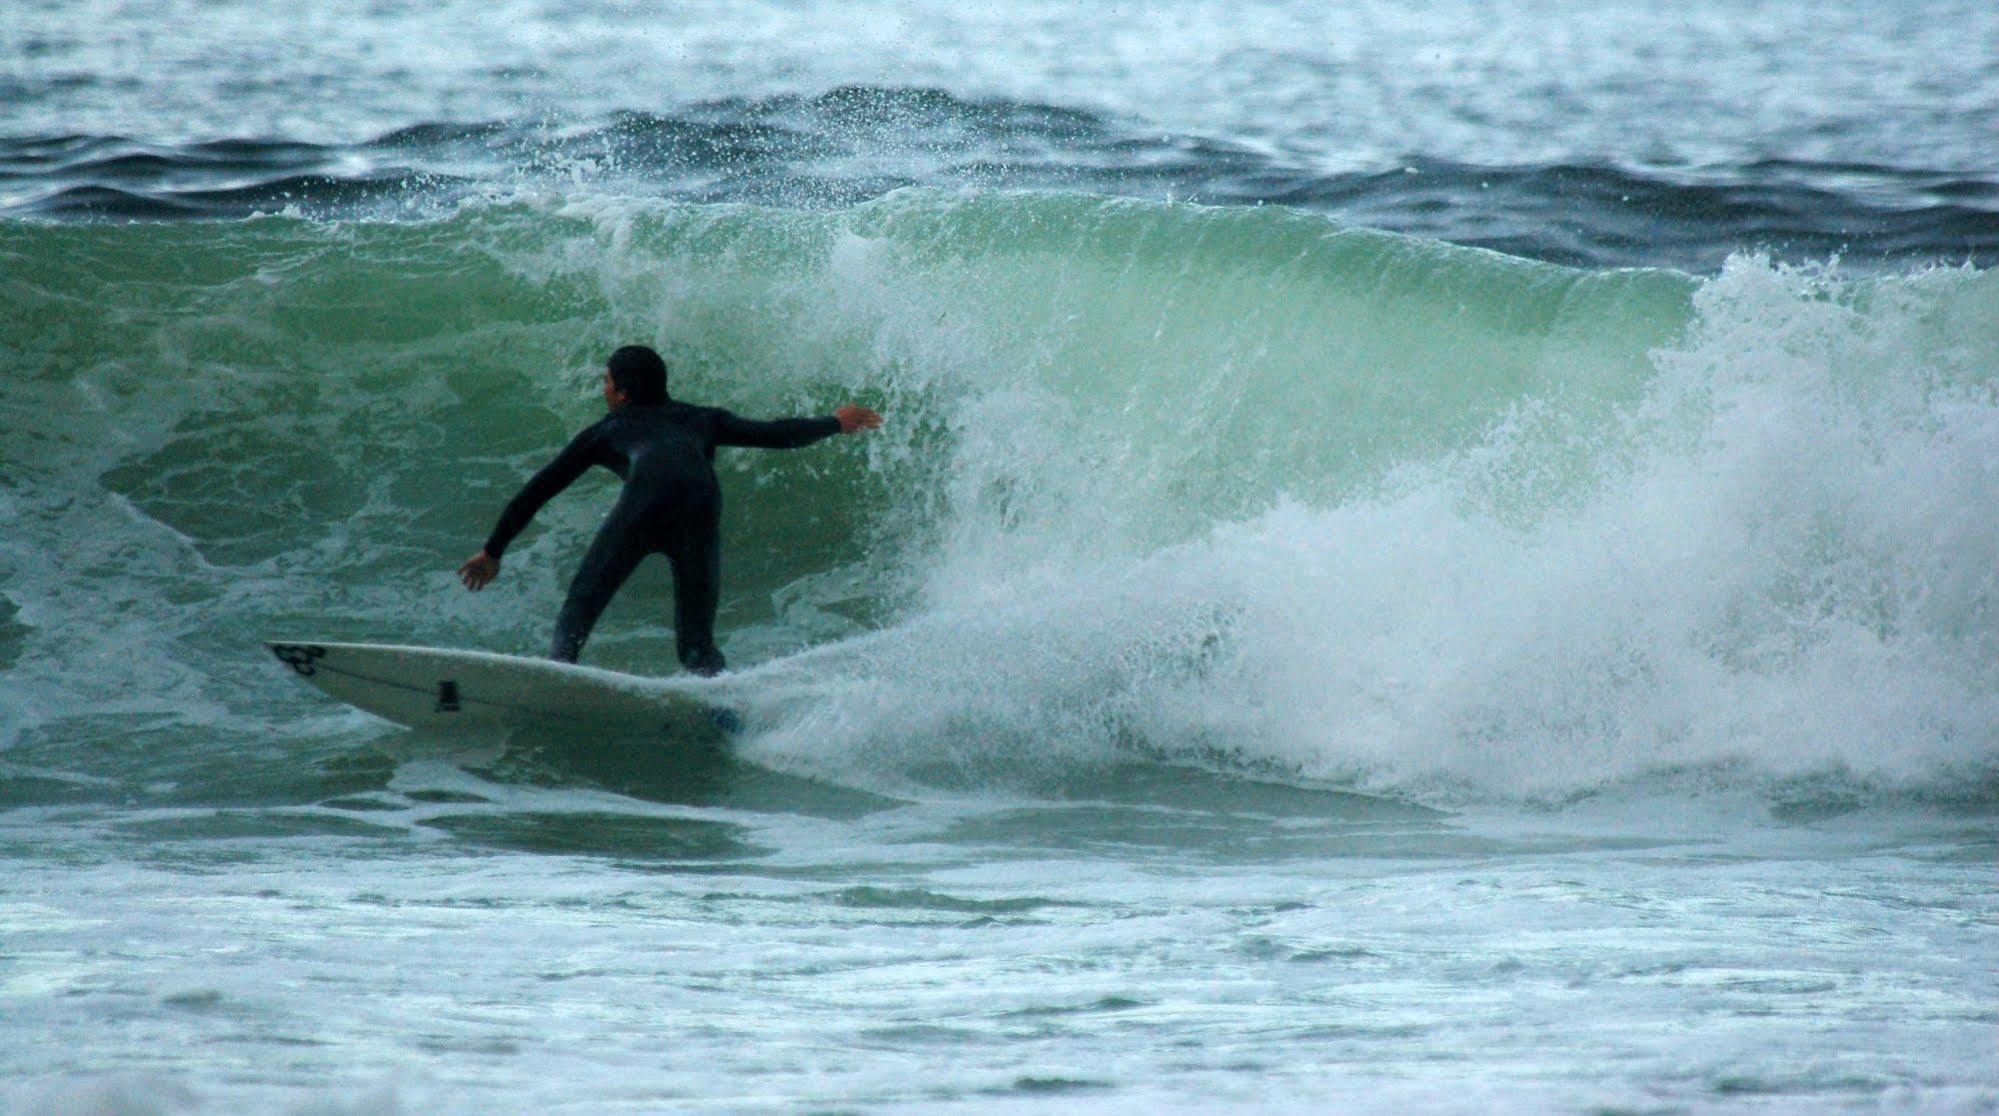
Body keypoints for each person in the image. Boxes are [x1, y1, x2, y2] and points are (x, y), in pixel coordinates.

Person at [458, 345, 882, 674]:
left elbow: (538, 490)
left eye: (607, 381)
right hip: (700, 506)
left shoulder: (607, 431)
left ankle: (559, 675)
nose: (603, 388)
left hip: (648, 501)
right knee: (696, 643)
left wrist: (493, 550)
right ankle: (722, 705)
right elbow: (772, 434)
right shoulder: (701, 419)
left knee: (580, 607)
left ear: (622, 392)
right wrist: (834, 422)